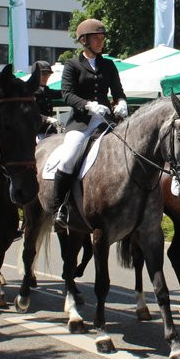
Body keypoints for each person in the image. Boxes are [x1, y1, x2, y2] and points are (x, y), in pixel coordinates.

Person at [52, 19, 128, 227]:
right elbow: (67, 94)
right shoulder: (72, 65)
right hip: (81, 121)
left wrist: (121, 102)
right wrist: (88, 105)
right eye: (97, 38)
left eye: (102, 38)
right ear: (84, 41)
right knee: (68, 157)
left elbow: (118, 92)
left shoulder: (108, 65)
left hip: (105, 120)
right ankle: (60, 206)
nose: (100, 42)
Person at [33, 60, 61, 137]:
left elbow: (63, 93)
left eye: (48, 74)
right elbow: (32, 113)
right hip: (36, 132)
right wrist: (47, 119)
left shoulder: (47, 90)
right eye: (43, 74)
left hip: (49, 130)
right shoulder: (30, 93)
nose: (46, 77)